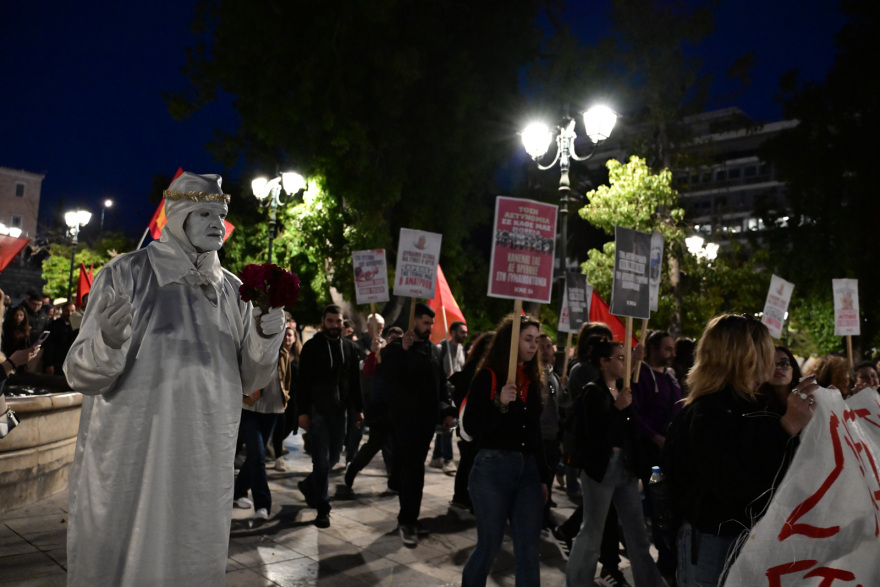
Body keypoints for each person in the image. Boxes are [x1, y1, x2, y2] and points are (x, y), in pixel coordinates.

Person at [63, 172, 285, 587]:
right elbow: (80, 374)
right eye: (205, 213)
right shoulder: (125, 273)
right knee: (127, 551)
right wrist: (107, 342)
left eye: (220, 214)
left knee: (192, 549)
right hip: (136, 453)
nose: (217, 223)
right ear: (179, 215)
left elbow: (251, 381)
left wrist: (265, 337)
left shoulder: (236, 291)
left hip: (204, 455)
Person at [664, 314, 816, 586]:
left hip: (749, 536)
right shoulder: (708, 412)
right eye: (765, 349)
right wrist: (787, 427)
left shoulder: (753, 405)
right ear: (745, 356)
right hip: (714, 541)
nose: (771, 359)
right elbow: (732, 482)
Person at [566, 337, 665, 587]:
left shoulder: (623, 389)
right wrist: (616, 409)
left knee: (638, 534)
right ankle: (578, 582)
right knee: (592, 533)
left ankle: (650, 583)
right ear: (604, 362)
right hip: (602, 467)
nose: (624, 362)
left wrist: (636, 358)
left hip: (625, 467)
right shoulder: (593, 392)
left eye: (625, 358)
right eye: (620, 358)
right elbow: (594, 435)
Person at [460, 314, 550, 586]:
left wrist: (543, 476)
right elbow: (473, 427)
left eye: (536, 340)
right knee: (490, 545)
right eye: (527, 339)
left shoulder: (533, 379)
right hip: (492, 467)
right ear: (511, 342)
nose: (534, 346)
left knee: (529, 548)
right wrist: (499, 403)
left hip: (528, 470)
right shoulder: (488, 376)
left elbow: (534, 432)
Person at [379, 303, 456, 546]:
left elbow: (440, 383)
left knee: (413, 469)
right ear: (414, 321)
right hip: (404, 420)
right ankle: (408, 520)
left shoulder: (434, 350)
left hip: (426, 421)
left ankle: (409, 514)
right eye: (425, 322)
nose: (430, 327)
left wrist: (446, 410)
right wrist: (403, 350)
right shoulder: (396, 348)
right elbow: (388, 376)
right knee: (413, 470)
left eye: (431, 323)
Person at [296, 304, 363, 528]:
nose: (335, 325)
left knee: (334, 458)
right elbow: (302, 382)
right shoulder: (312, 347)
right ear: (323, 321)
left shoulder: (350, 348)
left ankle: (309, 484)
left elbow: (355, 382)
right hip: (318, 413)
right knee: (322, 461)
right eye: (331, 321)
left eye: (338, 321)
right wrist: (302, 412)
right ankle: (323, 508)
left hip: (340, 413)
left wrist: (358, 409)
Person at [630, 330, 682, 578]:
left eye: (673, 348)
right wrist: (655, 437)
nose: (672, 353)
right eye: (667, 348)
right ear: (652, 349)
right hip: (654, 459)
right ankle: (666, 562)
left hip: (671, 456)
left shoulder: (670, 377)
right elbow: (634, 414)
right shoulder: (641, 376)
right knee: (660, 507)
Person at [233, 330, 292, 525]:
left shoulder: (282, 353)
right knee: (258, 456)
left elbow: (286, 378)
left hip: (272, 410)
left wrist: (285, 397)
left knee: (254, 457)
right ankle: (263, 505)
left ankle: (238, 491)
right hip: (249, 408)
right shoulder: (250, 349)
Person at [344, 326, 403, 494]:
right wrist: (373, 352)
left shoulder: (404, 357)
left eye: (399, 339)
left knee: (397, 447)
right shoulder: (379, 354)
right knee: (374, 444)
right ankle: (354, 468)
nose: (395, 342)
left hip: (397, 409)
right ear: (387, 339)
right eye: (393, 338)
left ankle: (394, 480)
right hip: (380, 409)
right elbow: (367, 370)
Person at [449, 331, 495, 512]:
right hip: (472, 422)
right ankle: (462, 496)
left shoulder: (483, 366)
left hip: (476, 422)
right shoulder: (477, 367)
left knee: (469, 460)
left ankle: (462, 496)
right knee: (469, 460)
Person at [430, 320, 468, 475]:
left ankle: (436, 457)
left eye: (466, 332)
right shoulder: (442, 348)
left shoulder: (461, 349)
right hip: (445, 393)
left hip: (455, 392)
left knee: (446, 426)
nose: (465, 335)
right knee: (449, 424)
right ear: (453, 332)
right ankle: (448, 460)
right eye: (462, 332)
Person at [537, 333, 564, 529]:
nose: (546, 351)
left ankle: (544, 515)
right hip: (538, 437)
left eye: (549, 346)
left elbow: (560, 403)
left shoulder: (553, 376)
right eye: (542, 347)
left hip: (552, 436)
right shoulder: (534, 375)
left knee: (548, 478)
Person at [270, 324, 301, 471]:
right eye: (284, 335)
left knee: (290, 425)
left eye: (290, 335)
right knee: (280, 425)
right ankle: (278, 456)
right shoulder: (276, 355)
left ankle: (273, 444)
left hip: (294, 397)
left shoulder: (299, 357)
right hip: (278, 396)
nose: (287, 338)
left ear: (294, 339)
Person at [759, 345, 802, 413]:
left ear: (793, 369)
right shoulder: (757, 405)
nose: (777, 368)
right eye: (770, 364)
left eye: (784, 364)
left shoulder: (808, 396)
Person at [42, 302, 78, 375]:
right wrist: (49, 364)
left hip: (73, 364)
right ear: (62, 311)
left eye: (72, 311)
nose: (70, 313)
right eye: (67, 311)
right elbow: (49, 346)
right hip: (57, 363)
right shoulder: (53, 325)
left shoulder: (78, 326)